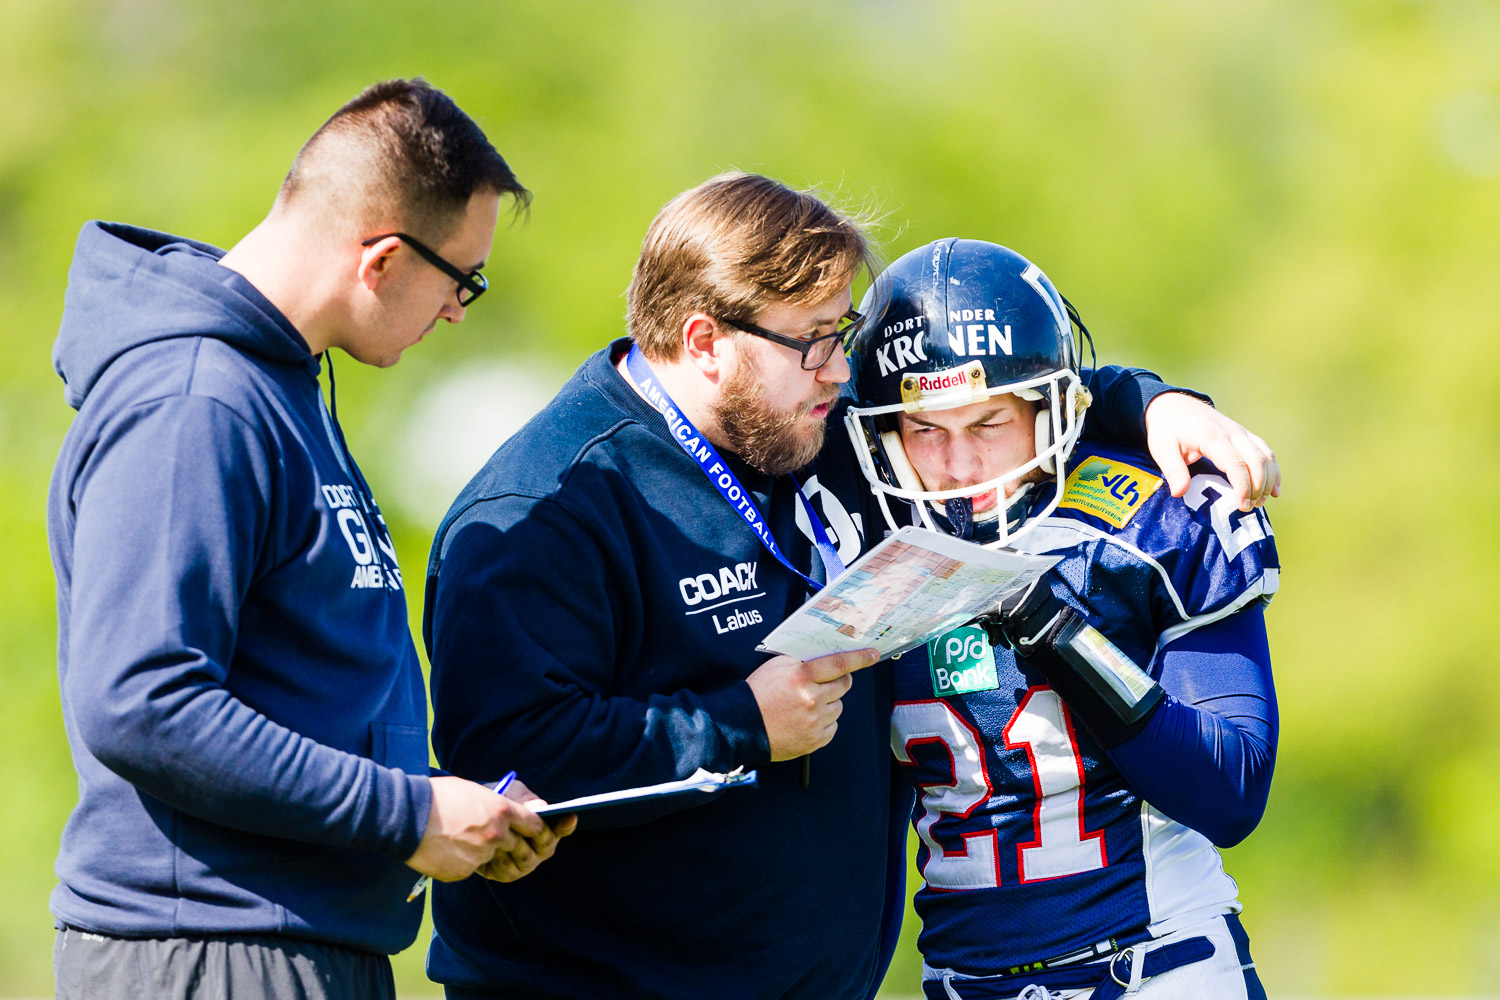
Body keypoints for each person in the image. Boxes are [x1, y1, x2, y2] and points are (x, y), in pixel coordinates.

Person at [422, 173, 1277, 1000]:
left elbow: (991, 391)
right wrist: (738, 725)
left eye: (845, 332)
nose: (839, 369)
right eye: (816, 340)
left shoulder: (814, 432)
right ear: (706, 342)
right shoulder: (579, 502)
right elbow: (506, 762)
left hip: (1138, 965)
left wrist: (1150, 403)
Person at [46, 78, 572, 1000]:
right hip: (208, 953)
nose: (457, 311)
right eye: (463, 281)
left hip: (294, 947)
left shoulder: (282, 390)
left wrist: (455, 810)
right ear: (381, 260)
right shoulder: (196, 401)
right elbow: (142, 701)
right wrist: (406, 811)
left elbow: (297, 690)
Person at [844, 238, 1277, 999]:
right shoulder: (851, 531)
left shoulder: (1149, 516)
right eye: (926, 431)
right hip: (962, 984)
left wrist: (1057, 631)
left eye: (988, 424)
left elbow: (1233, 787)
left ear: (1048, 410)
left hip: (1156, 968)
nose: (959, 466)